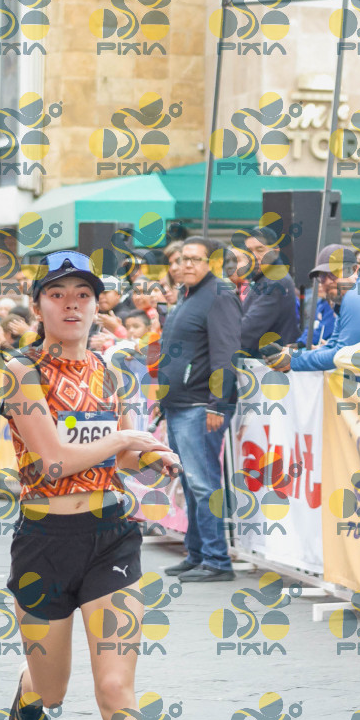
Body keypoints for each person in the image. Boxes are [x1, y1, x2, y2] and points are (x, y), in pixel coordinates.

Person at [0, 249, 180, 720]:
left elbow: (113, 459)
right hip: (44, 544)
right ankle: (29, 693)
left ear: (98, 305)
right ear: (38, 306)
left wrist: (149, 457)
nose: (72, 304)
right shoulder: (19, 374)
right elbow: (52, 462)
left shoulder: (108, 370)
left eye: (83, 294)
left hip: (110, 538)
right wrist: (127, 440)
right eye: (58, 294)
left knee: (116, 689)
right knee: (55, 692)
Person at [156, 238, 241, 583]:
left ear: (212, 263)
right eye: (183, 259)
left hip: (201, 405)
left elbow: (226, 352)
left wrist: (218, 403)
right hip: (179, 404)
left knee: (203, 485)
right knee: (191, 486)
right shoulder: (188, 295)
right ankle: (196, 554)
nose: (186, 264)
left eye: (195, 259)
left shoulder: (219, 294)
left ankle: (217, 561)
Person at [271, 246, 360, 374]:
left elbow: (342, 355)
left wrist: (294, 359)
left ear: (354, 270)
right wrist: (296, 355)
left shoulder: (357, 295)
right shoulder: (355, 293)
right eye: (323, 276)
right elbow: (332, 345)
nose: (328, 281)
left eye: (334, 274)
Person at [239, 228, 300, 357]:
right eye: (249, 251)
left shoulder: (275, 281)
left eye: (260, 250)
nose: (254, 256)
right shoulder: (264, 279)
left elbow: (248, 330)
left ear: (275, 251)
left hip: (270, 363)